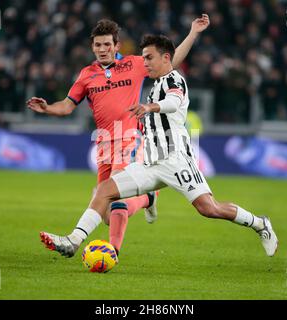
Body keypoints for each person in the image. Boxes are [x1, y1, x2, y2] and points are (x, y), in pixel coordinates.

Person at [41, 34, 279, 261]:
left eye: (149, 57)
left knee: (209, 208)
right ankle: (72, 241)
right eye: (143, 57)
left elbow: (174, 102)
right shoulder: (154, 85)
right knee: (104, 191)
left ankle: (260, 223)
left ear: (166, 58)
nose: (145, 62)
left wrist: (150, 108)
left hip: (176, 161)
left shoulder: (175, 80)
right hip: (150, 162)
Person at [27, 16, 211, 257]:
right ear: (92, 47)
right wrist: (48, 108)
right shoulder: (86, 75)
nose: (102, 50)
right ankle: (147, 198)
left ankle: (107, 251)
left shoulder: (134, 64)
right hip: (104, 142)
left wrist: (193, 33)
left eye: (107, 45)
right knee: (104, 211)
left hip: (131, 138)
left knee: (115, 201)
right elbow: (67, 106)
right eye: (97, 45)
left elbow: (171, 61)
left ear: (116, 46)